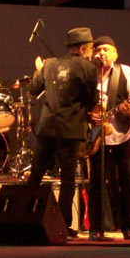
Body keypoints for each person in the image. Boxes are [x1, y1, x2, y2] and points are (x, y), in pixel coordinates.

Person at [26, 27, 99, 239]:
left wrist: (39, 70)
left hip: (47, 127)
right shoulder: (88, 68)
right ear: (83, 48)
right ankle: (63, 225)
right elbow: (91, 100)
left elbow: (33, 89)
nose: (92, 52)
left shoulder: (48, 64)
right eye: (91, 48)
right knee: (68, 179)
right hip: (70, 128)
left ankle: (25, 217)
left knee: (36, 175)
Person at [87, 36, 130, 241]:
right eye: (98, 49)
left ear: (115, 53)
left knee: (126, 180)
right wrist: (88, 115)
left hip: (121, 132)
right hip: (95, 133)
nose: (101, 53)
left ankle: (128, 226)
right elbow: (79, 102)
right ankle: (96, 228)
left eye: (106, 49)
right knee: (95, 181)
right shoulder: (89, 74)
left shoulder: (125, 71)